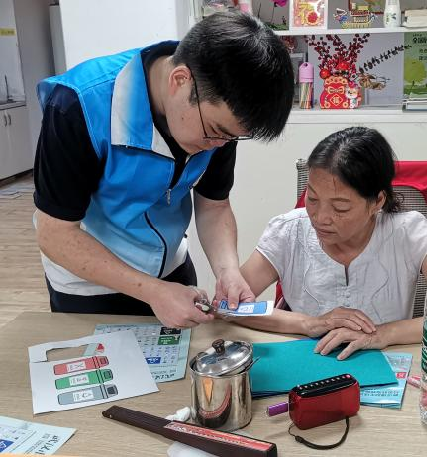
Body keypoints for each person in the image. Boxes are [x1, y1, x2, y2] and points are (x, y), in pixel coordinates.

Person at [33, 12, 294, 328]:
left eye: (230, 137)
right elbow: (55, 234)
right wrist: (152, 292)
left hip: (171, 271)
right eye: (215, 131)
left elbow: (214, 206)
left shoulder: (219, 122)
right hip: (90, 284)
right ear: (179, 81)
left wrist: (227, 271)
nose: (218, 145)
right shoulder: (78, 105)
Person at [238, 127, 427, 359]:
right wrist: (309, 324)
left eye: (340, 207)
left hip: (385, 366)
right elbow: (229, 306)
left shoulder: (408, 233)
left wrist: (384, 334)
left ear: (377, 202)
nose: (320, 217)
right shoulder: (288, 231)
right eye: (313, 199)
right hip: (306, 364)